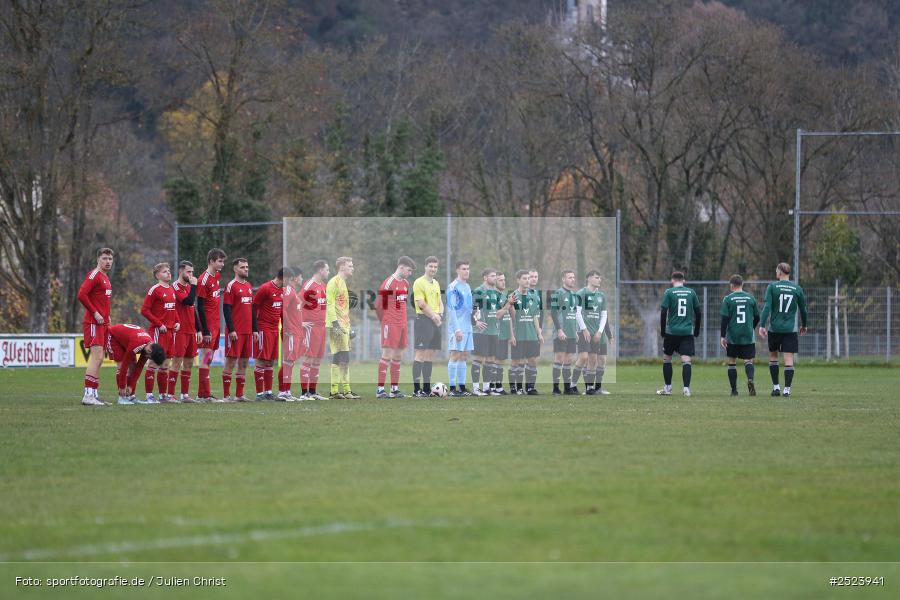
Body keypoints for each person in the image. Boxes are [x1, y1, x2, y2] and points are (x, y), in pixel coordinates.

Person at [758, 262, 808, 397]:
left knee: (774, 356)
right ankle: (787, 390)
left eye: (776, 271)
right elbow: (803, 309)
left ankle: (776, 388)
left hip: (774, 328)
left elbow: (767, 307)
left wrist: (762, 325)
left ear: (780, 272)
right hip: (790, 330)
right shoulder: (797, 288)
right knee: (788, 359)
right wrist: (804, 325)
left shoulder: (772, 287)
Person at [77, 247, 114, 406]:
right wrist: (95, 313)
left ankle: (94, 394)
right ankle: (88, 395)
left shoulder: (105, 278)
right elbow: (81, 295)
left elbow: (102, 300)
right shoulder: (94, 275)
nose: (108, 261)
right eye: (104, 258)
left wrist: (107, 315)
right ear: (98, 259)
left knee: (99, 359)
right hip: (93, 322)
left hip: (103, 323)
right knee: (96, 357)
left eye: (110, 259)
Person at [498, 269, 544, 394]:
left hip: (531, 335)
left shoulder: (534, 296)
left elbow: (534, 316)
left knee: (532, 360)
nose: (527, 281)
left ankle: (530, 388)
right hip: (518, 335)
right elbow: (510, 317)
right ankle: (515, 388)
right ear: (518, 280)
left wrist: (539, 333)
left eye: (528, 278)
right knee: (516, 362)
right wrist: (512, 335)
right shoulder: (512, 296)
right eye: (524, 278)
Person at [140, 263, 180, 403]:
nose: (168, 273)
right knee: (153, 363)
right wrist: (159, 324)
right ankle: (149, 395)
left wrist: (177, 322)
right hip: (158, 331)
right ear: (157, 275)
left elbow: (173, 309)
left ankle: (163, 395)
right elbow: (144, 310)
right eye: (164, 271)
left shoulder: (171, 289)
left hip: (170, 332)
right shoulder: (154, 290)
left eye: (169, 271)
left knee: (165, 365)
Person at [657, 271, 701, 397]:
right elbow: (698, 312)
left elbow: (663, 312)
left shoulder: (669, 292)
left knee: (667, 358)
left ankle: (668, 388)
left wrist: (663, 330)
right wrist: (697, 330)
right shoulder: (691, 292)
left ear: (672, 280)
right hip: (687, 332)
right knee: (686, 360)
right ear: (684, 281)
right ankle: (686, 389)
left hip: (671, 332)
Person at [376, 256, 415, 398]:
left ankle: (394, 389)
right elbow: (379, 306)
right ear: (401, 267)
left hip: (402, 324)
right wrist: (386, 321)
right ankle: (380, 390)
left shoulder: (405, 283)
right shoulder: (388, 283)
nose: (410, 273)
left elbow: (402, 304)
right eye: (409, 270)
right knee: (387, 354)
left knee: (398, 355)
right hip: (390, 323)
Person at [720, 274, 760, 397]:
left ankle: (734, 390)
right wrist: (751, 328)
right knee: (748, 360)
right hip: (747, 334)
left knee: (732, 361)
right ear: (742, 284)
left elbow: (724, 319)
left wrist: (722, 336)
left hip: (733, 335)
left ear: (732, 285)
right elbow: (757, 317)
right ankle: (750, 379)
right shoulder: (750, 298)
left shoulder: (728, 299)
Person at [105, 324, 166, 405]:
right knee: (121, 366)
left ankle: (131, 396)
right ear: (149, 351)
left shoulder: (149, 347)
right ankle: (122, 397)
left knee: (133, 367)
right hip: (113, 337)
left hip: (127, 340)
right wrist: (122, 387)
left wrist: (131, 386)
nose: (147, 358)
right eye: (149, 357)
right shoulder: (137, 344)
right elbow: (124, 366)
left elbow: (139, 368)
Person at [326, 257, 359, 399]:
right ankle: (346, 391)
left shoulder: (342, 283)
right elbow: (329, 304)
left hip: (343, 325)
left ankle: (335, 391)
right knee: (344, 356)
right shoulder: (334, 282)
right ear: (342, 267)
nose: (353, 268)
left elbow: (342, 308)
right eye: (350, 266)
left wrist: (348, 327)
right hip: (337, 325)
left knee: (339, 356)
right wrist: (335, 324)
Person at [574, 271, 611, 395]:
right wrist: (584, 329)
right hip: (583, 332)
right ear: (589, 279)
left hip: (596, 333)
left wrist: (600, 332)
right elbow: (577, 312)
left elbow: (604, 315)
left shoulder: (602, 296)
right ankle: (573, 385)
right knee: (584, 358)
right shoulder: (581, 293)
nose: (599, 280)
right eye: (596, 277)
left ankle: (591, 388)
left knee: (594, 360)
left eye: (600, 278)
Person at [196, 248, 226, 401]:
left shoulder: (216, 276)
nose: (222, 264)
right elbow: (199, 306)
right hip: (208, 326)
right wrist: (205, 331)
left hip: (215, 324)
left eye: (223, 261)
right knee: (206, 358)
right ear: (211, 261)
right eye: (220, 261)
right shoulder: (204, 280)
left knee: (209, 359)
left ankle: (202, 394)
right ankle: (205, 394)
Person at [253, 267, 287, 400]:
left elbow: (281, 311)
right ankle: (259, 394)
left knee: (270, 361)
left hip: (274, 329)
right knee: (261, 359)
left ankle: (268, 392)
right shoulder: (265, 288)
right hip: (263, 328)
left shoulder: (282, 291)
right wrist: (255, 328)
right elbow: (254, 306)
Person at [222, 258, 253, 402]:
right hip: (235, 332)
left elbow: (251, 309)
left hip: (248, 332)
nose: (246, 269)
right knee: (230, 362)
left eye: (247, 267)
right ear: (235, 269)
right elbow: (226, 309)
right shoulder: (231, 286)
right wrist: (231, 329)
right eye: (242, 267)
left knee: (244, 363)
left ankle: (239, 395)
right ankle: (226, 396)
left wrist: (255, 329)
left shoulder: (248, 286)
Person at [411, 256, 443, 397]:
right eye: (431, 266)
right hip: (424, 320)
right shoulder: (419, 282)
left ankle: (426, 388)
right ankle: (416, 390)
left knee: (430, 354)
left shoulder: (436, 283)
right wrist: (434, 316)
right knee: (420, 353)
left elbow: (440, 301)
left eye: (435, 267)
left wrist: (440, 315)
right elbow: (421, 304)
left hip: (435, 320)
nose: (433, 269)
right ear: (425, 267)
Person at [170, 261, 200, 403]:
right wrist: (194, 285)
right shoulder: (175, 287)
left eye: (192, 272)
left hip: (191, 331)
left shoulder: (189, 287)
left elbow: (192, 308)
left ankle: (184, 395)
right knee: (177, 362)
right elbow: (188, 301)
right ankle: (170, 394)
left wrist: (198, 329)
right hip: (180, 331)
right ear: (181, 271)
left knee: (189, 363)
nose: (191, 275)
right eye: (188, 272)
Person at [299, 261, 330, 400]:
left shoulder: (323, 286)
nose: (328, 272)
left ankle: (312, 392)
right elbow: (296, 303)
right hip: (311, 327)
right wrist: (300, 322)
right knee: (309, 358)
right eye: (327, 269)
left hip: (322, 327)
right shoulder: (309, 285)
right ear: (320, 270)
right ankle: (303, 393)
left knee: (317, 360)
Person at [446, 260, 474, 396]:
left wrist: (475, 315)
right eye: (464, 269)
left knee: (464, 356)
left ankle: (462, 387)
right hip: (458, 328)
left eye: (468, 268)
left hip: (468, 327)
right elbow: (451, 310)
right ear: (457, 270)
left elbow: (469, 308)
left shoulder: (467, 286)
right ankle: (452, 389)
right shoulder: (453, 287)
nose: (466, 271)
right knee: (455, 355)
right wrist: (457, 329)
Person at [472, 269, 500, 396]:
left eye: (495, 276)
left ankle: (487, 388)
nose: (495, 278)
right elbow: (473, 308)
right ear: (485, 277)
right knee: (479, 358)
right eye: (492, 276)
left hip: (493, 331)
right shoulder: (479, 291)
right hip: (482, 332)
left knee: (490, 359)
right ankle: (476, 388)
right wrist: (476, 321)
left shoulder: (495, 292)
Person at [551, 270, 580, 395]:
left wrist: (576, 331)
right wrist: (559, 330)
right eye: (569, 277)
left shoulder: (574, 295)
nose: (572, 279)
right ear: (563, 279)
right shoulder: (557, 293)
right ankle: (555, 388)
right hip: (561, 332)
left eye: (573, 277)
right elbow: (553, 313)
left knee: (569, 360)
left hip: (572, 333)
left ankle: (567, 389)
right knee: (559, 359)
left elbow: (574, 314)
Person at [279, 267, 304, 400]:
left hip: (296, 332)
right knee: (288, 361)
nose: (302, 279)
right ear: (295, 278)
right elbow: (283, 309)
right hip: (291, 332)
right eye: (301, 277)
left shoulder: (293, 291)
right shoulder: (288, 290)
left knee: (291, 361)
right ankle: (282, 391)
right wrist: (288, 327)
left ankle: (287, 391)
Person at [493, 272, 511, 394]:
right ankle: (492, 386)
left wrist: (511, 333)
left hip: (504, 333)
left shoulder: (505, 296)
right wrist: (508, 305)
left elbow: (508, 316)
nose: (503, 282)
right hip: (496, 333)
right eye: (500, 280)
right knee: (494, 360)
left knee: (501, 360)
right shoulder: (493, 296)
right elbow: (497, 315)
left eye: (504, 279)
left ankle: (498, 386)